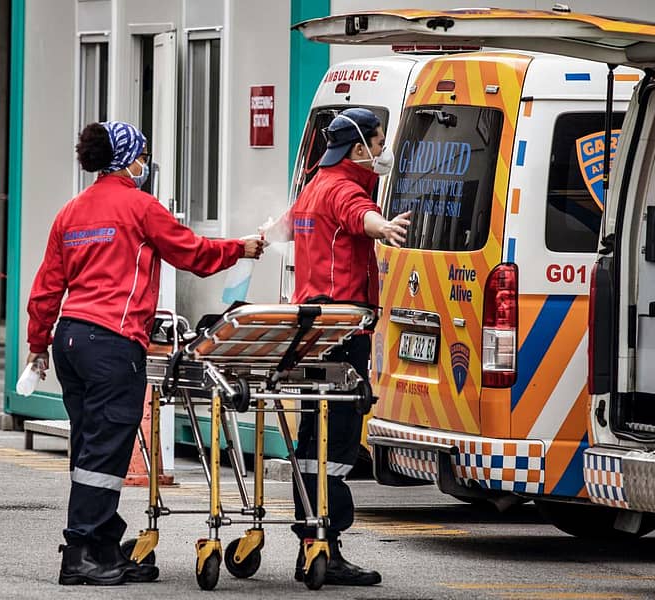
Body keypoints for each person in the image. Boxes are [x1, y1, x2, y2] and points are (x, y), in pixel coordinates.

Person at [24, 121, 265, 586]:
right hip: (112, 343)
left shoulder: (71, 212)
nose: (145, 164)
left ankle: (102, 545)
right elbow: (191, 252)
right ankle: (81, 555)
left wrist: (38, 345)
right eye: (142, 155)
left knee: (90, 447)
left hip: (70, 340)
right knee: (105, 451)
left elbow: (46, 289)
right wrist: (242, 248)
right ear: (129, 158)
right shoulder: (138, 206)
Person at [284, 107, 410, 586]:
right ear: (358, 149)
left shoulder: (312, 186)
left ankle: (312, 543)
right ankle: (326, 543)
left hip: (312, 330)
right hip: (342, 332)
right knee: (337, 441)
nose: (381, 153)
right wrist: (386, 228)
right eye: (378, 144)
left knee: (312, 438)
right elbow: (362, 216)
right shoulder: (342, 187)